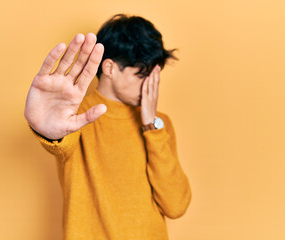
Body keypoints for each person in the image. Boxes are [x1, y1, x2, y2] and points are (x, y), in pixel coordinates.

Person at [24, 14, 191, 240]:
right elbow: (60, 142)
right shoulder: (74, 115)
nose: (151, 86)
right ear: (110, 68)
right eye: (142, 75)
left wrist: (151, 125)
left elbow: (176, 205)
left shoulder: (159, 124)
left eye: (155, 76)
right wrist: (48, 130)